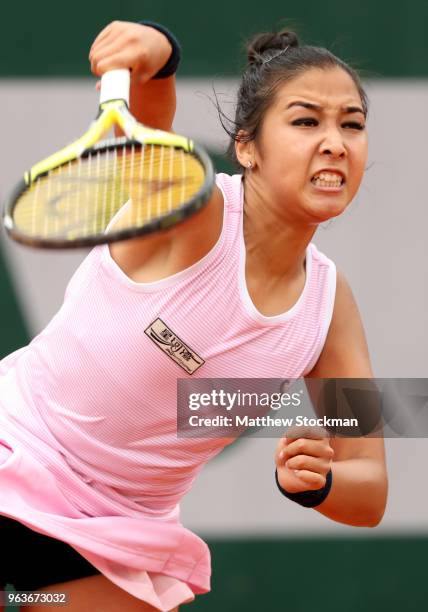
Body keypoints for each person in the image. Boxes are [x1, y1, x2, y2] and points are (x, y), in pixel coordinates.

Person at [0, 20, 387, 612]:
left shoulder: (330, 311)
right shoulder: (193, 210)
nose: (335, 141)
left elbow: (370, 483)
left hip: (113, 540)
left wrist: (319, 483)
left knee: (32, 604)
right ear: (247, 147)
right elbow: (151, 128)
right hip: (15, 454)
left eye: (352, 124)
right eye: (306, 121)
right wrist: (160, 54)